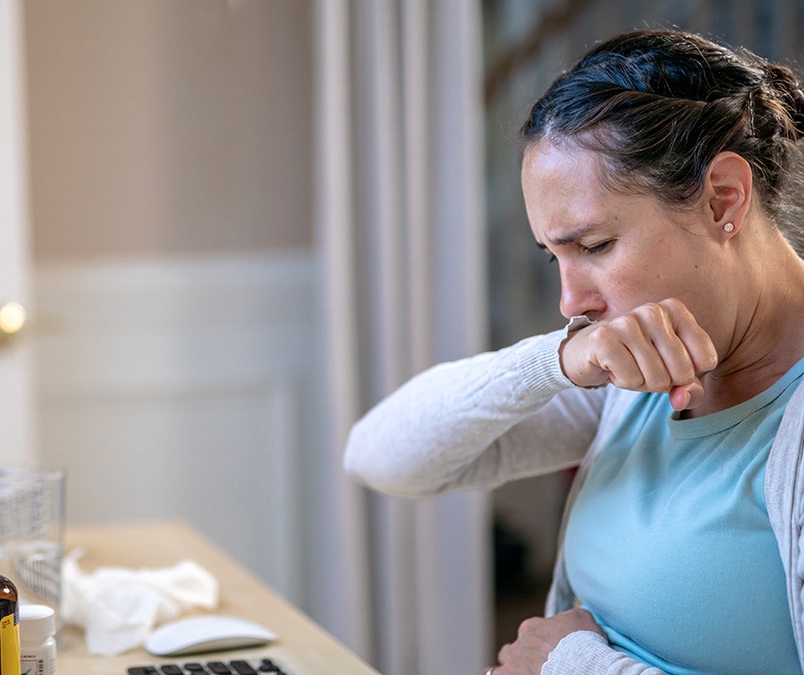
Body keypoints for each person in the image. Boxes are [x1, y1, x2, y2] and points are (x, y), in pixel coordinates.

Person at [344, 29, 804, 675]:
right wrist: (552, 363)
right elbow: (381, 455)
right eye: (553, 254)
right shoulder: (636, 380)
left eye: (593, 246)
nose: (569, 302)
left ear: (722, 198)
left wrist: (570, 662)